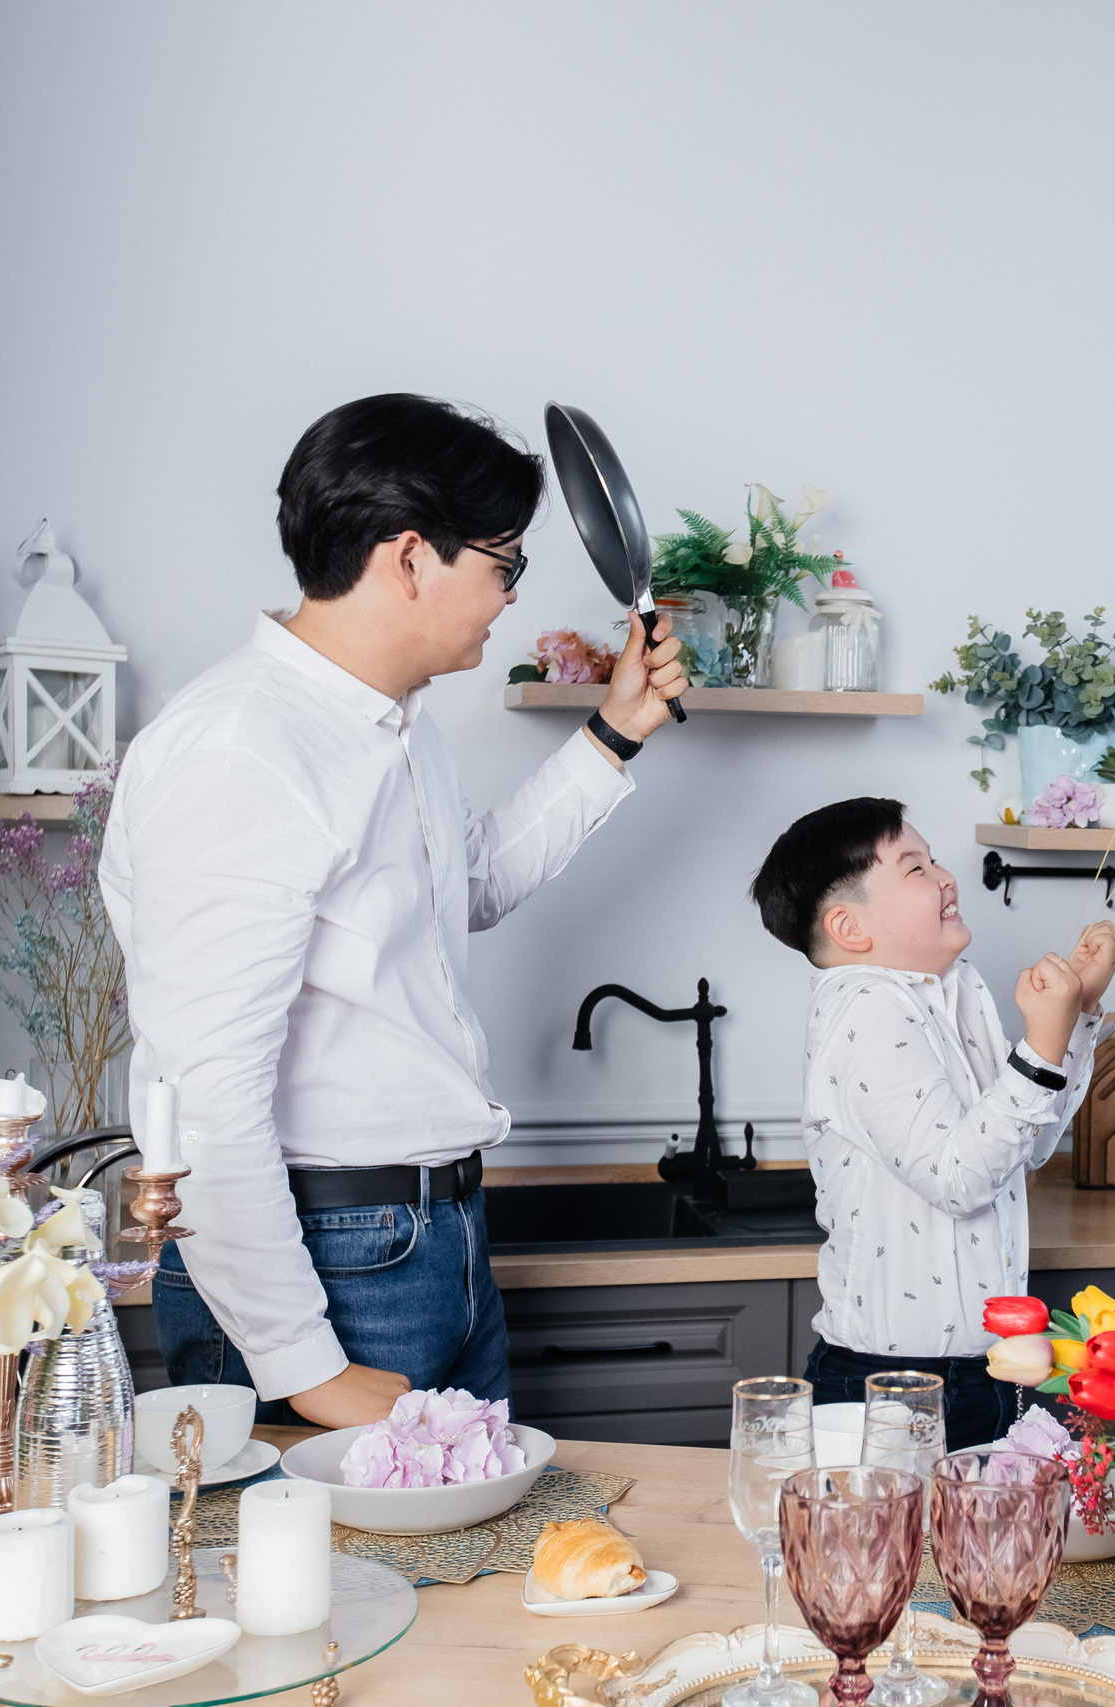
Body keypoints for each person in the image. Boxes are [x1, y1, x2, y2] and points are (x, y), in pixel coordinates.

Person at [101, 393, 687, 1428]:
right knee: (329, 1586)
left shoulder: (399, 730)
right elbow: (203, 1090)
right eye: (504, 564)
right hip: (331, 1260)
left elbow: (468, 889)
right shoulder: (243, 750)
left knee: (467, 1576)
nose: (510, 595)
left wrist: (615, 733)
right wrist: (301, 1364)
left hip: (435, 1235)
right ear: (411, 557)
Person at [751, 798, 1115, 1448]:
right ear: (849, 925)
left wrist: (1077, 1016)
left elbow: (1023, 1145)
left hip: (981, 1376)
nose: (945, 876)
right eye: (914, 867)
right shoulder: (867, 1009)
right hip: (893, 1391)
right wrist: (1041, 1041)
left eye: (933, 858)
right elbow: (960, 1178)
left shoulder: (947, 988)